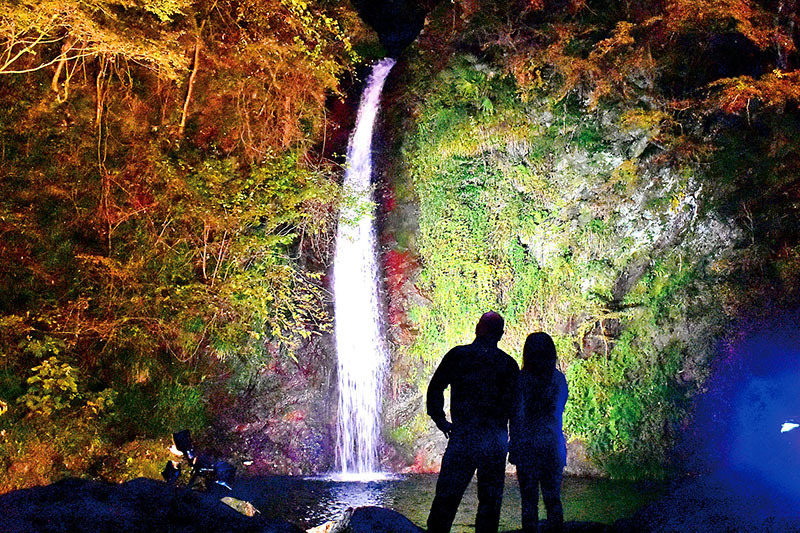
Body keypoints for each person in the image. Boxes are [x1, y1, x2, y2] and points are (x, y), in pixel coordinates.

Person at [426, 311, 520, 533]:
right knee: (489, 505)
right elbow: (516, 410)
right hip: (494, 442)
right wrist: (514, 444)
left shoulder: (458, 356)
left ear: (477, 329)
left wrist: (441, 421)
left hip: (463, 437)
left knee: (446, 501)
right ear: (501, 334)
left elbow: (435, 388)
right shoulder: (507, 365)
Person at [509, 332, 569, 533]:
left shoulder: (521, 380)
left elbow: (516, 415)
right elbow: (558, 410)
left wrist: (514, 447)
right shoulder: (559, 380)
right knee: (553, 500)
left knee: (529, 503)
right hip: (553, 445)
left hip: (528, 446)